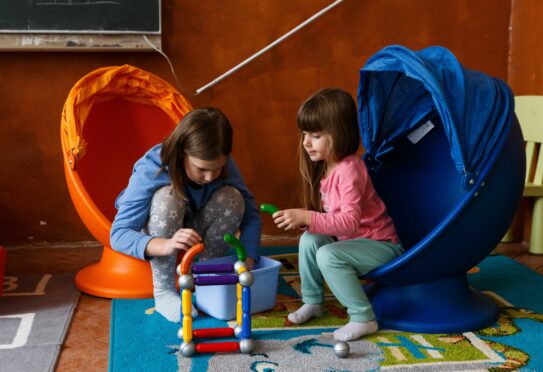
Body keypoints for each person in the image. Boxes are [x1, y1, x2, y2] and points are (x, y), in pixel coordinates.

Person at [270, 88, 404, 341]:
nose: (306, 142)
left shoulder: (350, 169)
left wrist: (308, 216)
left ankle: (364, 317)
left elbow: (351, 224)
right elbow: (334, 222)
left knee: (328, 254)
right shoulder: (328, 169)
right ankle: (313, 301)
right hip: (353, 242)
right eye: (304, 134)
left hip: (381, 245)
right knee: (310, 240)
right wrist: (304, 222)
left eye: (316, 135)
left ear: (338, 134)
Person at [110, 107, 261, 323]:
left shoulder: (223, 164)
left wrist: (249, 258)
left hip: (194, 230)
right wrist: (165, 244)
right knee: (168, 195)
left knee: (233, 198)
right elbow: (118, 234)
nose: (210, 177)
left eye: (217, 169)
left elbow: (252, 217)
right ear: (182, 152)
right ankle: (164, 292)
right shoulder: (153, 167)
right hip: (160, 233)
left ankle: (208, 278)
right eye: (201, 169)